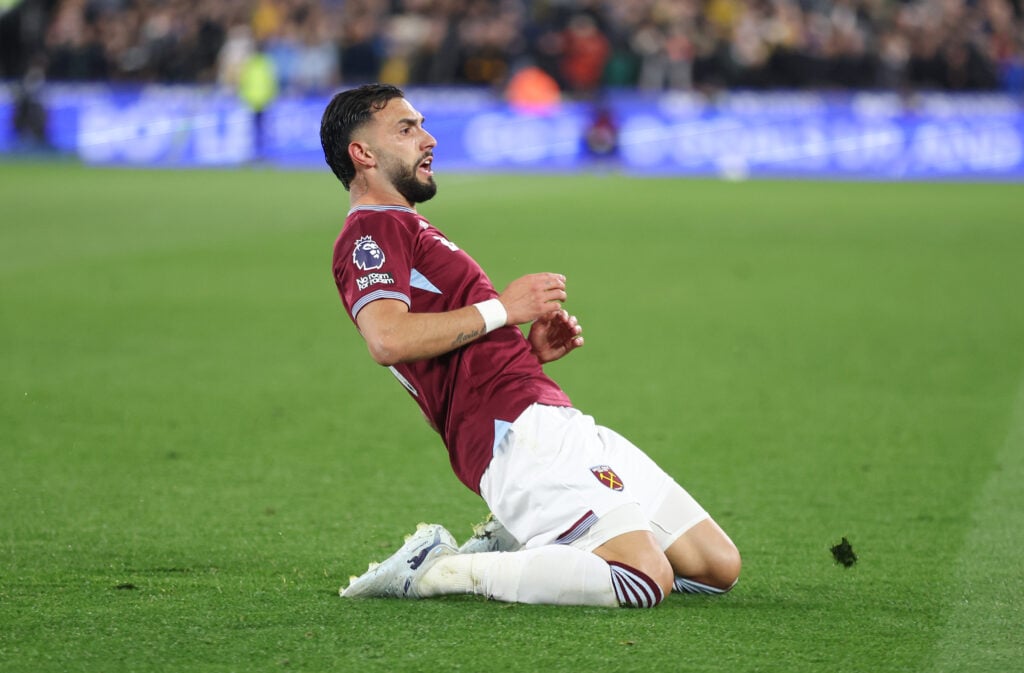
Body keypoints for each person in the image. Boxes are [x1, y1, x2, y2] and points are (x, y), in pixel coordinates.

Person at [322, 83, 740, 608]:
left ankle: (529, 537)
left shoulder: (408, 225)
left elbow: (446, 345)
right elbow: (386, 338)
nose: (427, 139)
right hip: (508, 433)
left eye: (422, 125)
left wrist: (521, 349)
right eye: (406, 130)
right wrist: (505, 309)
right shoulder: (370, 233)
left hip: (544, 410)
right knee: (641, 577)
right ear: (361, 153)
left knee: (716, 567)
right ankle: (435, 570)